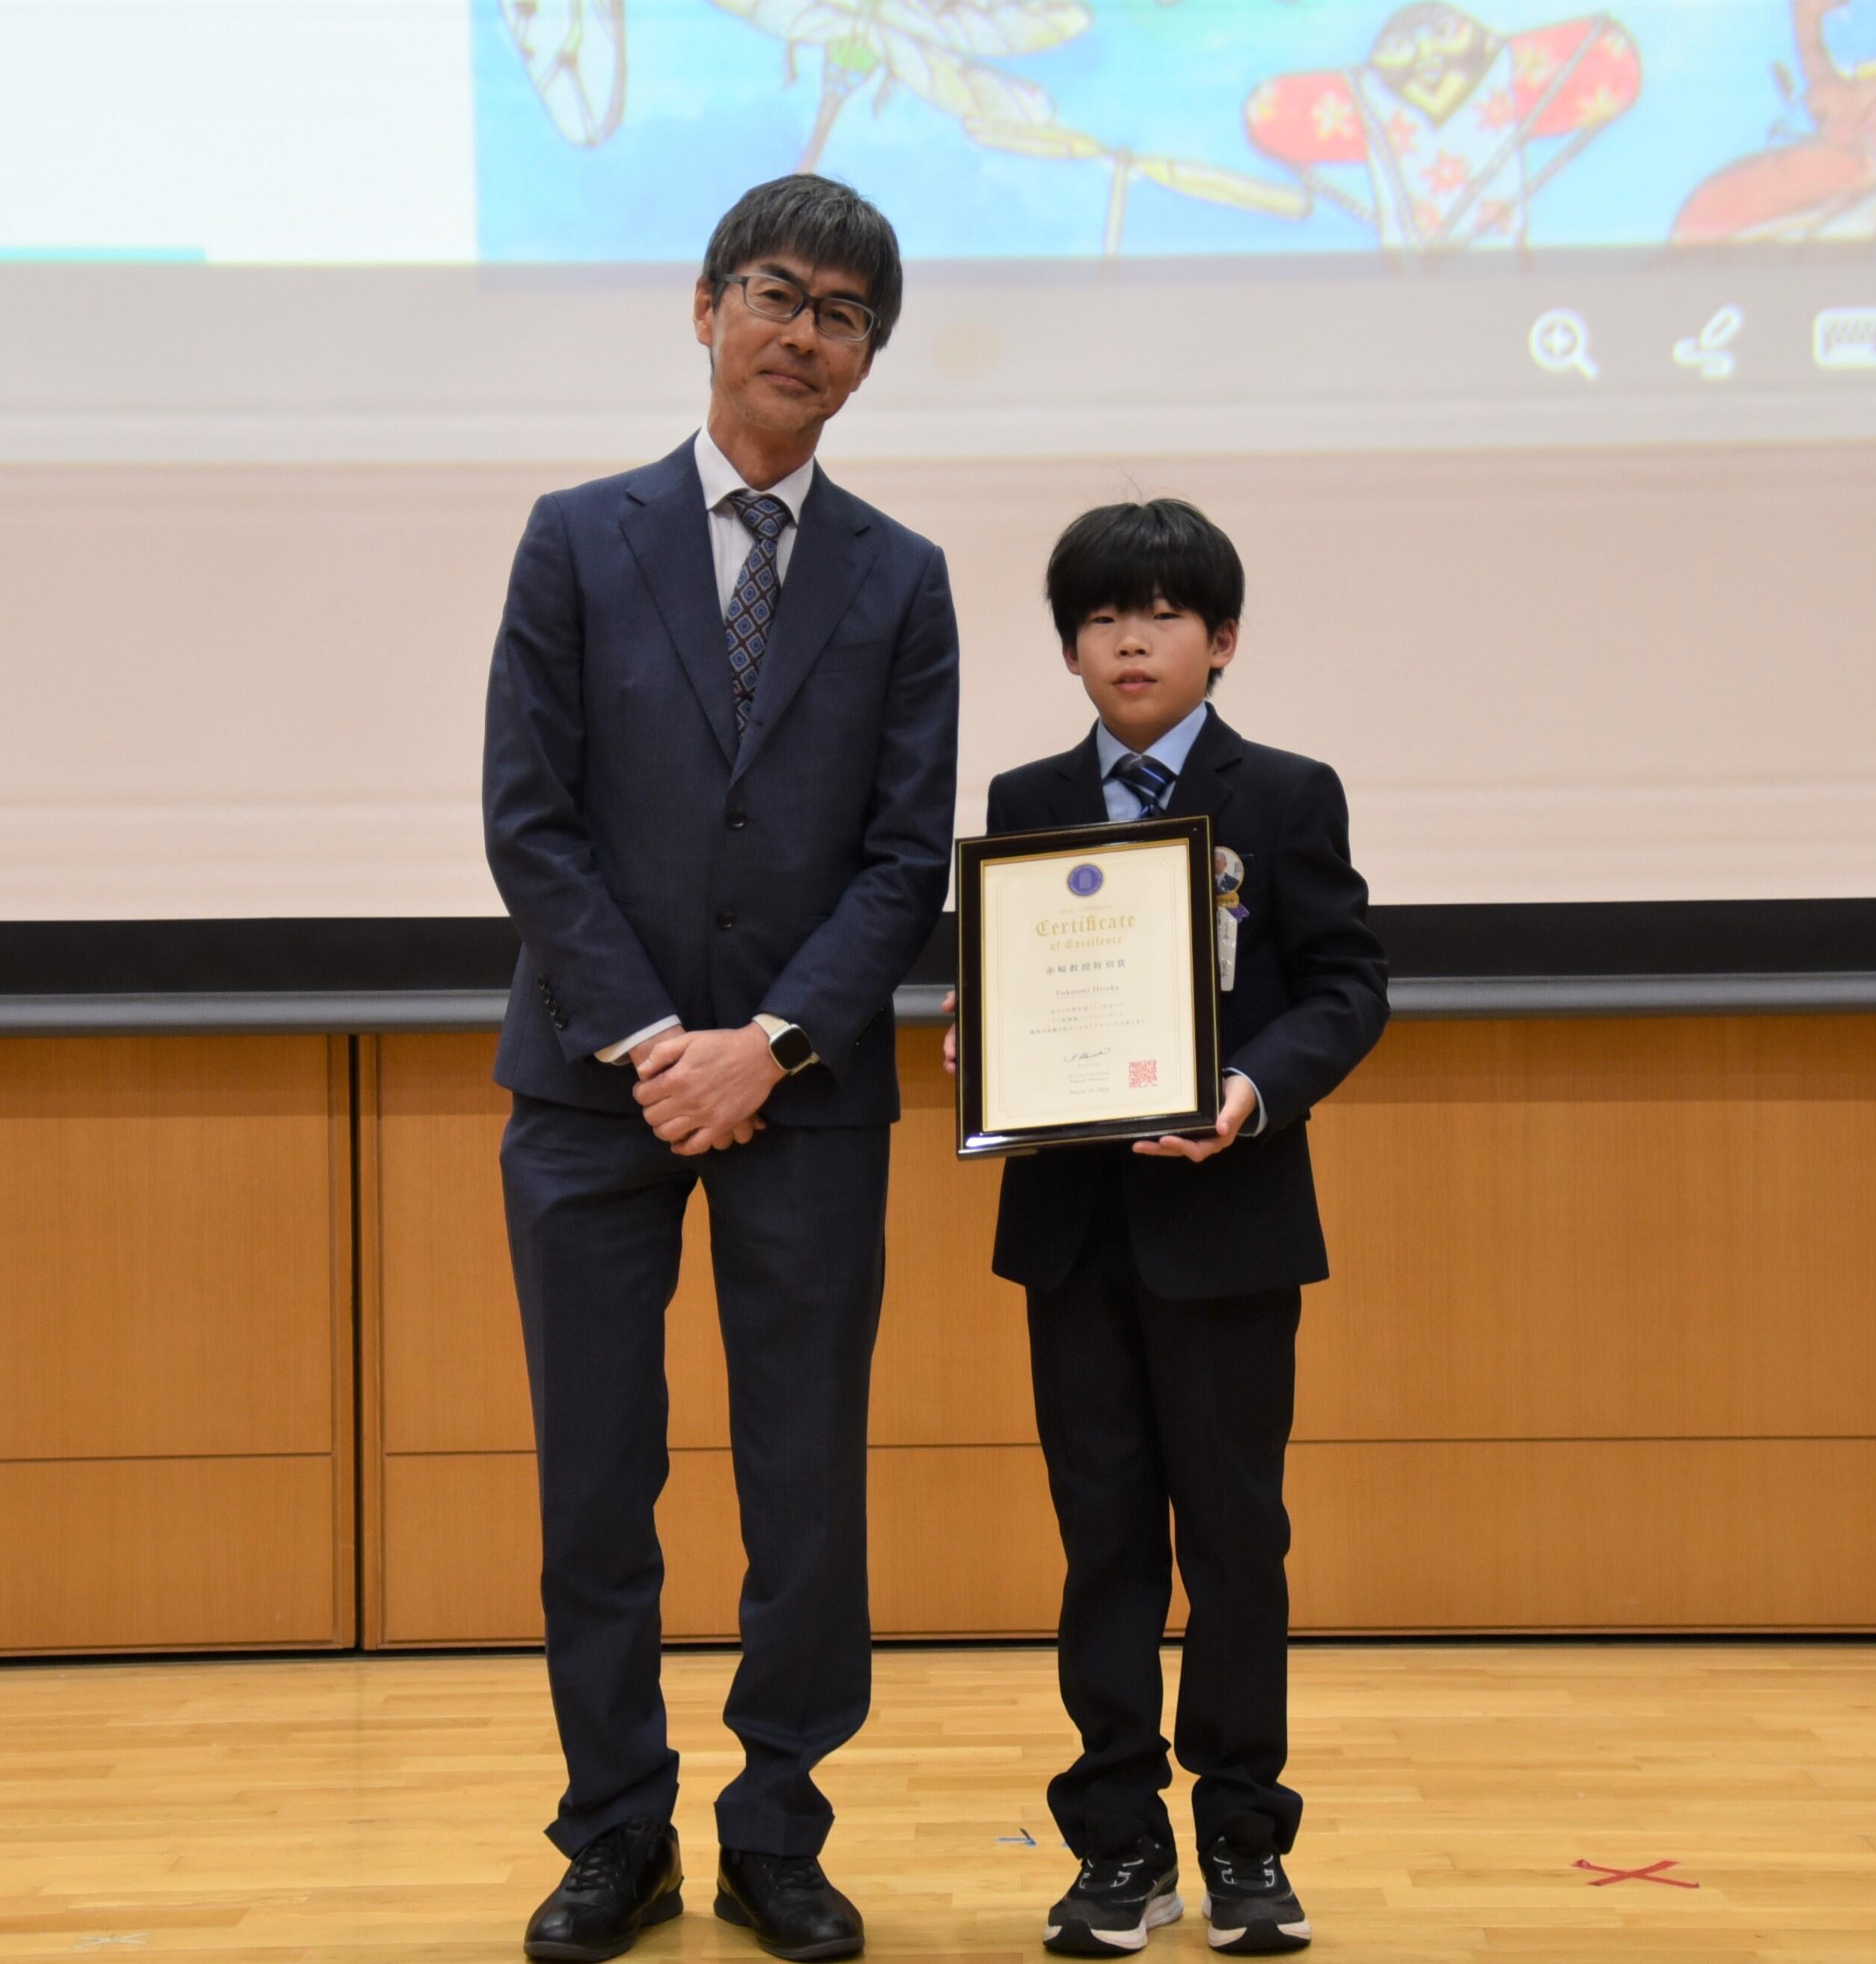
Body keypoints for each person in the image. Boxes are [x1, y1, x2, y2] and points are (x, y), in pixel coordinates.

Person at [482, 174, 959, 1964]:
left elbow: (903, 861)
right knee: (597, 1477)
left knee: (803, 1479)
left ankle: (776, 1825)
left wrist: (762, 1046)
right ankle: (615, 1831)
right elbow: (529, 822)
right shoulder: (576, 536)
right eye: (774, 291)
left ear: (863, 361)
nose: (801, 329)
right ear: (702, 308)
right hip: (590, 1091)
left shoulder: (900, 580)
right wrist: (657, 1047)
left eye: (842, 314)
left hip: (807, 1097)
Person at [944, 499, 1388, 1956]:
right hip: (1075, 1236)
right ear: (1071, 646)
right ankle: (1117, 1838)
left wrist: (1253, 1092)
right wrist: (984, 1032)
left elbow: (1345, 985)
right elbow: (1007, 978)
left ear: (1223, 639)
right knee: (1107, 1544)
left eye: (1163, 612)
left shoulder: (1288, 793)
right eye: (1101, 616)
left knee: (1238, 1541)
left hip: (1232, 1225)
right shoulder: (1024, 798)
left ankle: (1247, 1834)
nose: (1131, 638)